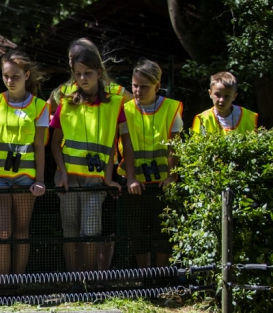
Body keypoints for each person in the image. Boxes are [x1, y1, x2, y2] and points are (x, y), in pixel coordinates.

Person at [51, 40, 133, 272]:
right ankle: (74, 279)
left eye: (88, 73)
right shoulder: (64, 101)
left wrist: (109, 177)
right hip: (67, 178)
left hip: (96, 180)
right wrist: (63, 174)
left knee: (90, 231)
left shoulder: (115, 101)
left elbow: (111, 145)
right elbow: (55, 143)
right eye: (78, 74)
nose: (83, 78)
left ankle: (89, 280)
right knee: (70, 232)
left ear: (98, 72)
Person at [0, 50, 49, 275]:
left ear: (27, 75)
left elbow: (40, 145)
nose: (10, 80)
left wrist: (40, 180)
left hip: (25, 178)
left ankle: (17, 282)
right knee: (2, 233)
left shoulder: (39, 106)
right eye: (6, 75)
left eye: (15, 76)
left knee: (21, 232)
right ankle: (2, 285)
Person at [121, 59, 183, 268]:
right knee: (138, 230)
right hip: (136, 184)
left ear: (157, 86)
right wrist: (130, 178)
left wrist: (171, 176)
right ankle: (144, 276)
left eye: (144, 86)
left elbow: (174, 146)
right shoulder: (126, 110)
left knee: (162, 230)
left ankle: (162, 275)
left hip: (162, 184)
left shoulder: (171, 108)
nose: (138, 90)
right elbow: (127, 145)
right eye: (135, 85)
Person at [191, 71, 259, 135]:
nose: (222, 100)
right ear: (210, 93)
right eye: (217, 95)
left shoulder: (248, 117)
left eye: (227, 96)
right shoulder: (202, 119)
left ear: (234, 96)